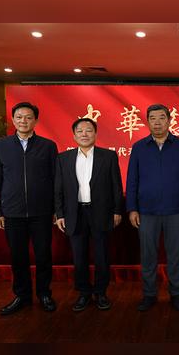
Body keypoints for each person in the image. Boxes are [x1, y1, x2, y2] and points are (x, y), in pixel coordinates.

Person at [0, 101, 58, 315]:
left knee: (43, 256)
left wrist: (57, 210)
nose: (23, 121)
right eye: (19, 117)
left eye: (28, 117)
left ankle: (44, 294)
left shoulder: (48, 146)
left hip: (42, 212)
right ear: (13, 119)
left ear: (35, 120)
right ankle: (22, 296)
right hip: (12, 213)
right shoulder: (1, 146)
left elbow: (56, 180)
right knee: (18, 258)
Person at [126, 104, 179, 312]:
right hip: (146, 212)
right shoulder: (139, 147)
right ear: (147, 121)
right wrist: (132, 209)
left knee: (175, 255)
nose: (157, 122)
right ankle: (149, 294)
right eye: (152, 118)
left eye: (161, 118)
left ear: (169, 120)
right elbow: (132, 180)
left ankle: (176, 294)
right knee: (148, 256)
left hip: (176, 211)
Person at [55, 118, 123, 311]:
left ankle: (101, 292)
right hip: (75, 213)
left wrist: (117, 210)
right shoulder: (63, 158)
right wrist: (60, 214)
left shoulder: (108, 156)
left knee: (102, 255)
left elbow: (116, 187)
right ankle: (84, 293)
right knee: (79, 256)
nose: (84, 134)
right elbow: (58, 189)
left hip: (101, 212)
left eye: (89, 130)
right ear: (74, 135)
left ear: (95, 134)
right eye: (80, 131)